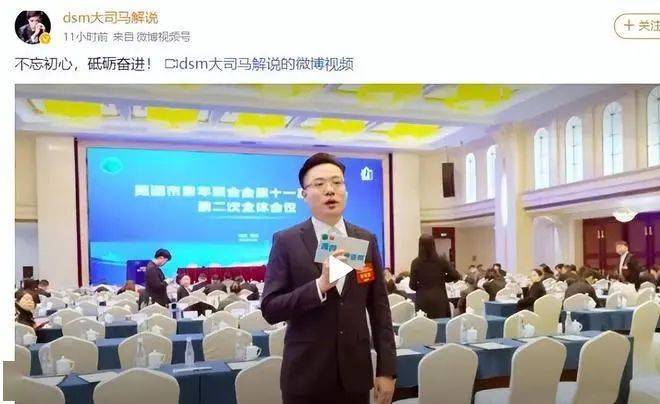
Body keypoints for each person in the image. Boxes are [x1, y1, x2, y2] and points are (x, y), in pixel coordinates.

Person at [261, 153, 396, 404]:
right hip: (306, 376)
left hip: (355, 376)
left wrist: (387, 369)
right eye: (319, 184)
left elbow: (380, 309)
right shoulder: (287, 241)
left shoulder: (365, 239)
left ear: (346, 190)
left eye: (337, 182)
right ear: (304, 194)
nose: (330, 190)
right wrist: (319, 286)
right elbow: (270, 308)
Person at [409, 235, 460, 318]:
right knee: (441, 324)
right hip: (440, 299)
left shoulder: (415, 263)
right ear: (433, 245)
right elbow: (456, 275)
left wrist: (422, 286)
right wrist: (443, 279)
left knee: (424, 324)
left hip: (422, 300)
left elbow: (412, 285)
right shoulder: (441, 260)